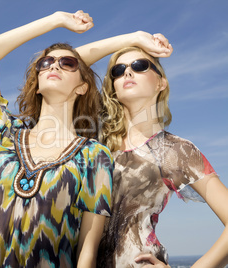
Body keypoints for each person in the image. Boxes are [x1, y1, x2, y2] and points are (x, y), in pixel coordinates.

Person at [0, 10, 173, 267]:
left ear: (83, 86)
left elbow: (87, 252)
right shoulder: (3, 134)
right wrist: (57, 19)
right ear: (36, 84)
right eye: (45, 63)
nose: (54, 65)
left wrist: (136, 39)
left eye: (67, 64)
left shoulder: (93, 155)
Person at [96, 45, 228, 267]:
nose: (127, 72)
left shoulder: (175, 150)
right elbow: (60, 62)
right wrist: (134, 37)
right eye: (118, 70)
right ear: (113, 89)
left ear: (161, 83)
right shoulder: (95, 145)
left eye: (139, 66)